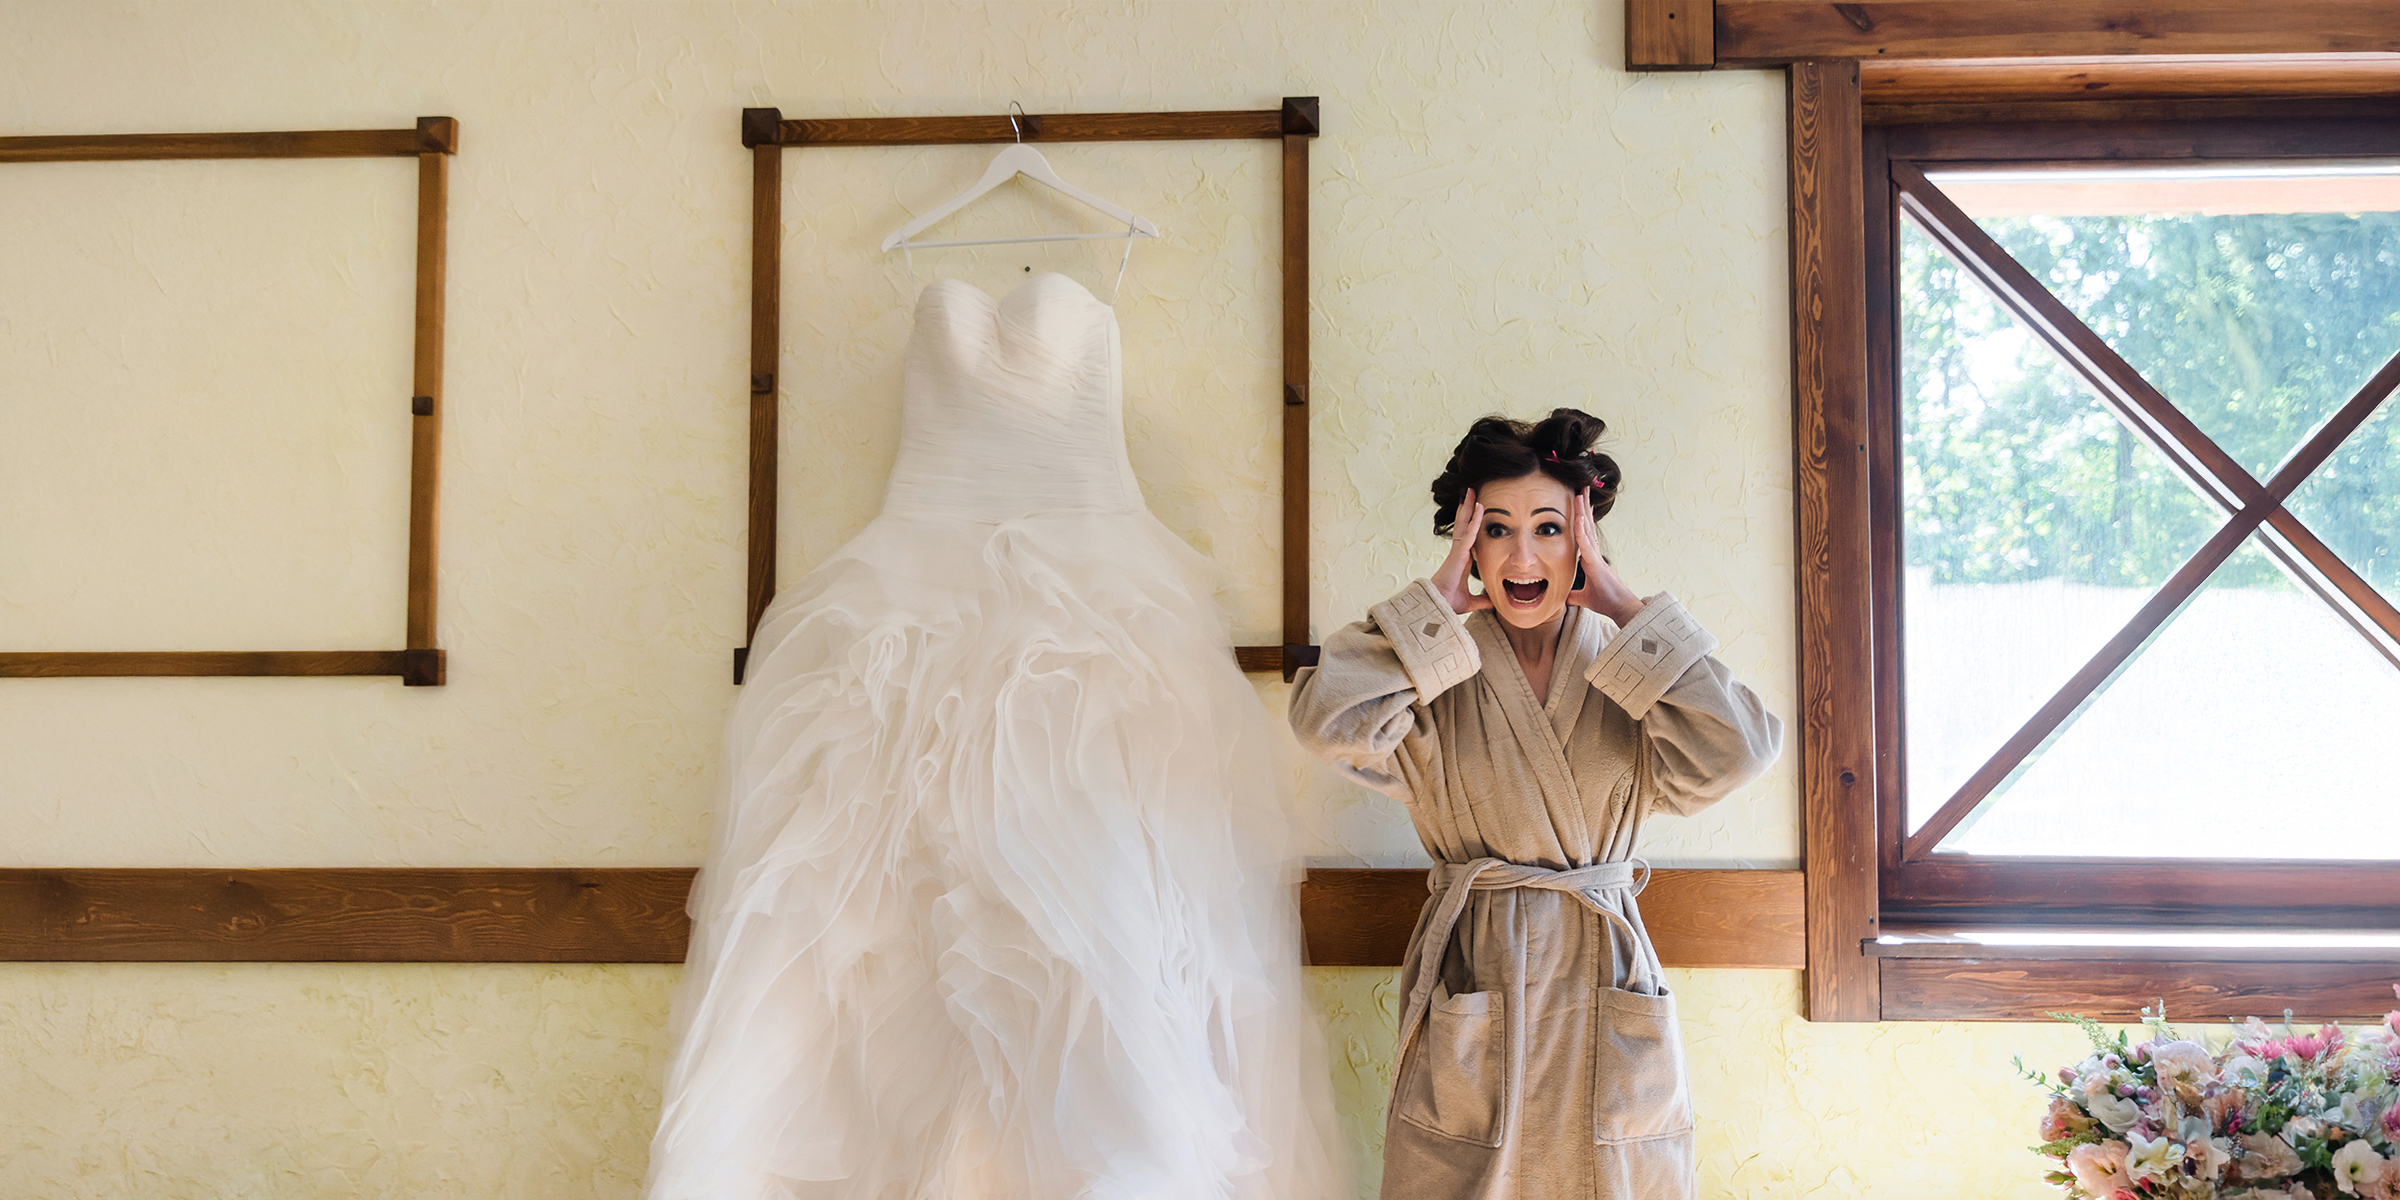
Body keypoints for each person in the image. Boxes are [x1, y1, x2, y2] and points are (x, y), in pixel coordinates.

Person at [1288, 408, 1782, 1200]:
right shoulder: (1436, 670)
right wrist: (1431, 612)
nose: (1522, 555)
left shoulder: (1629, 669)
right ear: (1469, 543)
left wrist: (1626, 611)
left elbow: (1744, 749)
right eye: (1498, 530)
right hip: (1477, 970)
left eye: (1549, 529)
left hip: (1605, 976)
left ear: (1584, 544)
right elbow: (1326, 721)